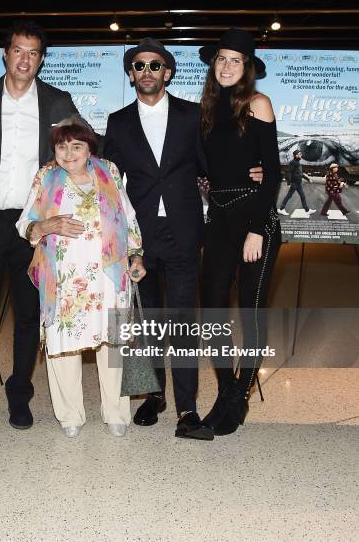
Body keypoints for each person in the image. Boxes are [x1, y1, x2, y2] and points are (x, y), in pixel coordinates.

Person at [0, 21, 79, 429]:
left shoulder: (59, 101)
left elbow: (85, 151)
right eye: (18, 51)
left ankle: (19, 394)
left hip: (35, 226)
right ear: (5, 54)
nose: (24, 59)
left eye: (33, 53)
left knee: (28, 316)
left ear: (41, 60)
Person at [104, 38, 215, 440]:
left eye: (155, 65)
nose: (147, 71)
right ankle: (154, 394)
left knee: (184, 322)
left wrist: (249, 175)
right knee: (147, 320)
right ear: (131, 74)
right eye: (139, 66)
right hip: (141, 236)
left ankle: (187, 406)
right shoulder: (117, 122)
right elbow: (108, 180)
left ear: (167, 72)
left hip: (184, 232)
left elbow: (210, 165)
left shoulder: (192, 115)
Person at [16, 121, 146, 438]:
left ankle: (115, 411)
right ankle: (69, 413)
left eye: (77, 146)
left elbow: (128, 216)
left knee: (113, 344)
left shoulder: (109, 172)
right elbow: (25, 224)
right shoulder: (47, 176)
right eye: (62, 146)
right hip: (64, 279)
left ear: (90, 148)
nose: (69, 153)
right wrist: (47, 226)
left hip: (109, 275)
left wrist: (137, 255)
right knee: (63, 344)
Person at [198, 28, 282, 436]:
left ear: (247, 68)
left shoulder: (258, 103)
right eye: (222, 59)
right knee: (211, 306)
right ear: (214, 65)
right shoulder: (209, 110)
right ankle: (227, 389)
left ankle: (238, 399)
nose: (227, 66)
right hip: (220, 218)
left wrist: (256, 231)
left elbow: (273, 172)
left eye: (236, 60)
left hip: (254, 220)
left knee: (250, 311)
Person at [278, 149, 315, 215]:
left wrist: (308, 179)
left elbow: (300, 174)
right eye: (298, 154)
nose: (300, 155)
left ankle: (307, 210)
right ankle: (281, 209)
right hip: (294, 183)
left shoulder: (298, 163)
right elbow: (289, 173)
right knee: (289, 196)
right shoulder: (293, 163)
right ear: (295, 155)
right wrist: (289, 183)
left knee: (302, 196)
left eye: (300, 154)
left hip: (298, 184)